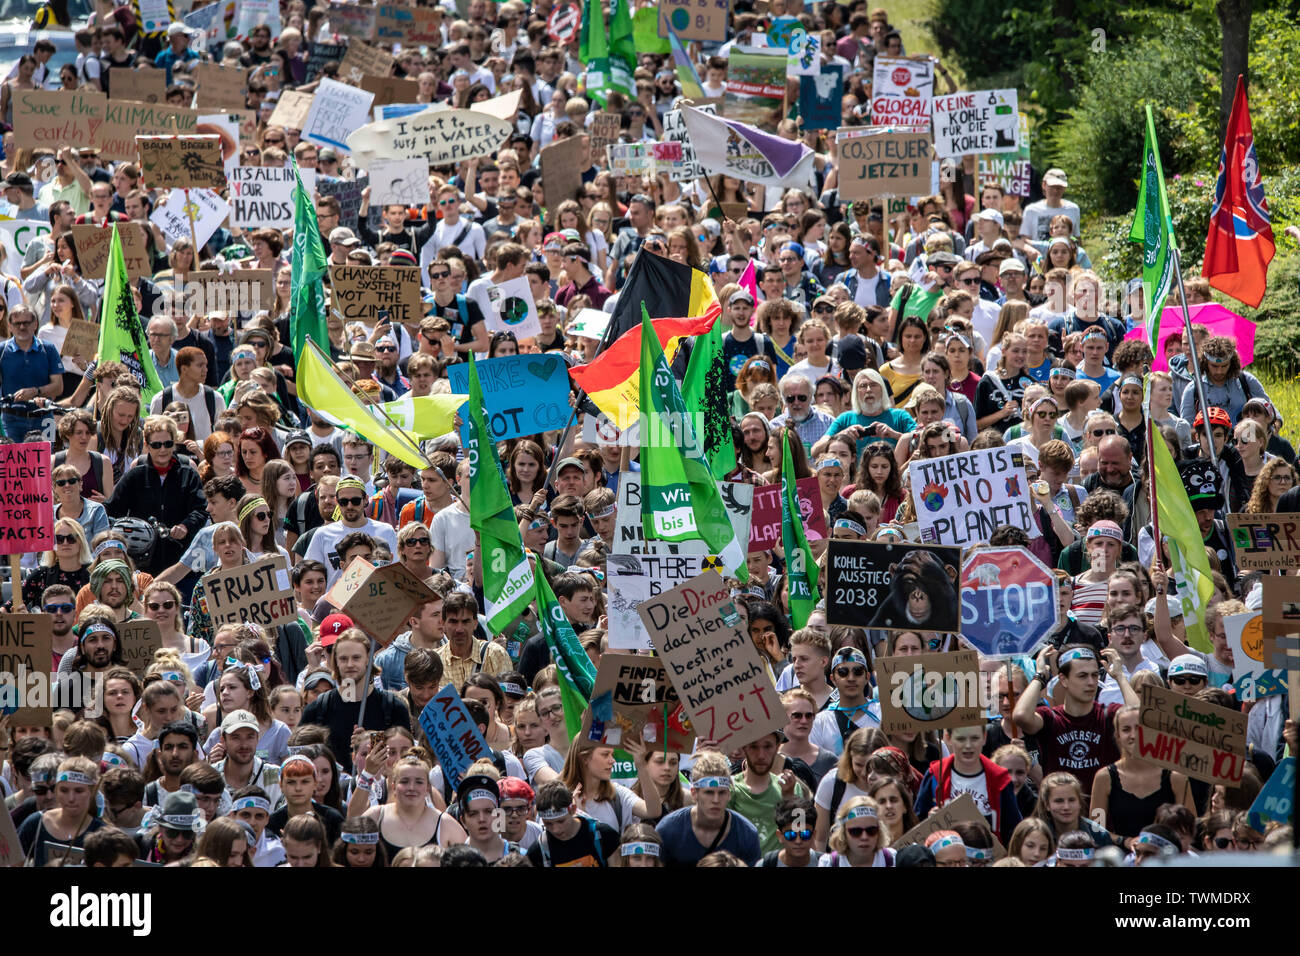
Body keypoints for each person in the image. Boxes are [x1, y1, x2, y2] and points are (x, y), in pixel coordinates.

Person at [1013, 644, 1135, 797]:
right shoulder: (1051, 718)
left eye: (1095, 675)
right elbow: (1020, 715)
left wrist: (1120, 676)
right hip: (1059, 810)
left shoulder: (1107, 714)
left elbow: (1140, 719)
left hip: (1101, 812)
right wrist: (1039, 676)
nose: (1091, 682)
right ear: (1064, 680)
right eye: (1082, 676)